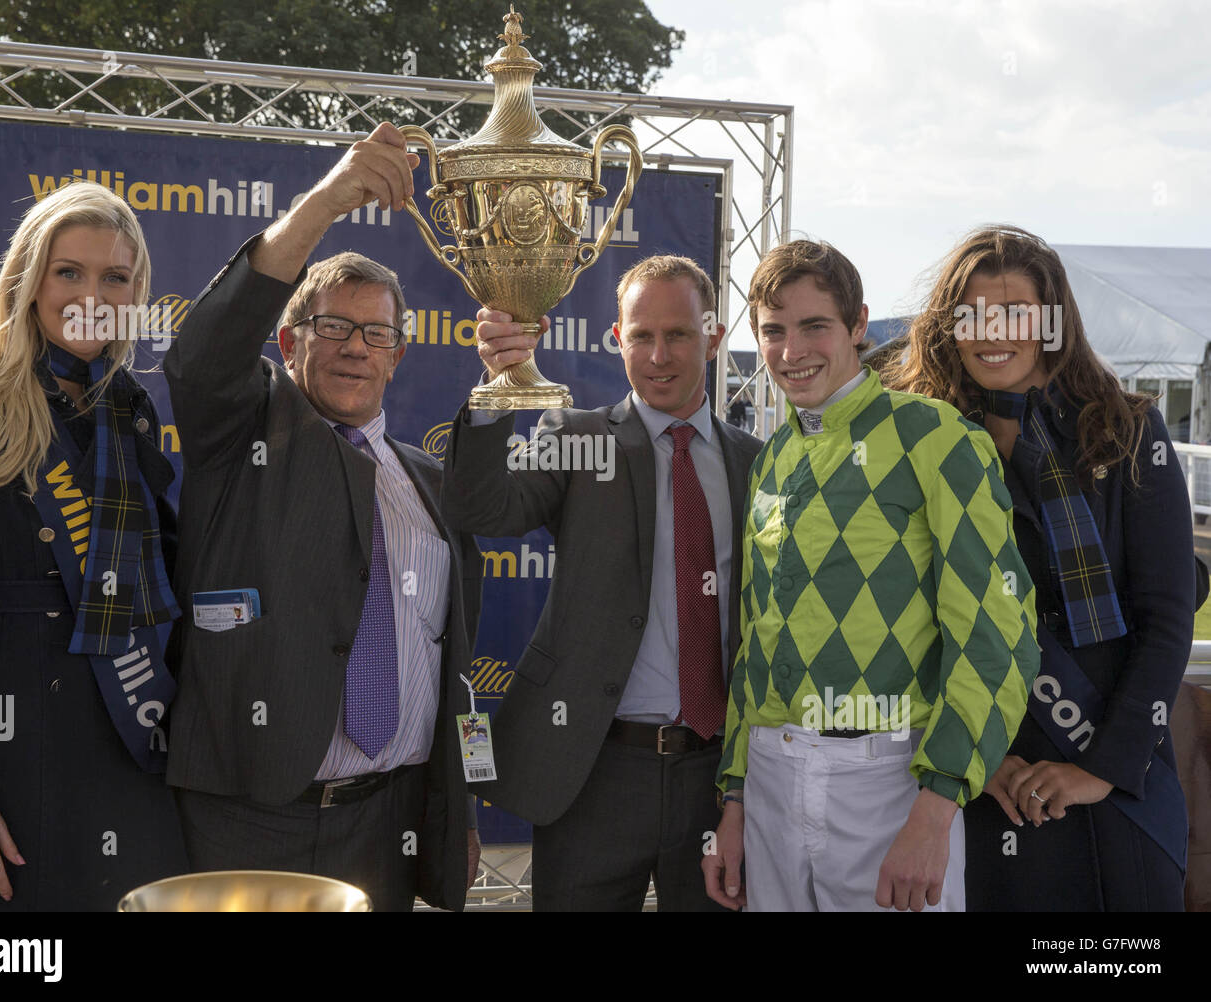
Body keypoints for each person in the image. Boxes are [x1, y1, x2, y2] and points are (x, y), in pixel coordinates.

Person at [163, 122, 483, 912]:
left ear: (397, 356)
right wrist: (327, 202)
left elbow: (455, 673)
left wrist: (458, 811)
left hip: (390, 824)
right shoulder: (242, 435)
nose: (353, 347)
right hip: (249, 821)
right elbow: (203, 352)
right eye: (331, 327)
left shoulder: (435, 486)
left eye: (376, 333)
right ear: (287, 342)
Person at [703, 239, 1040, 912]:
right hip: (769, 778)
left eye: (814, 326)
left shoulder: (935, 437)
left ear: (858, 324)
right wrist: (734, 798)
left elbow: (998, 637)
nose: (791, 350)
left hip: (889, 783)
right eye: (773, 331)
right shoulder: (770, 458)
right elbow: (754, 647)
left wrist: (936, 806)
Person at [441, 255, 762, 911]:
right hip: (592, 771)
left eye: (678, 334)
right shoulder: (577, 436)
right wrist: (500, 387)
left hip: (717, 779)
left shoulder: (756, 464)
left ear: (714, 334)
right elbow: (482, 510)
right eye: (641, 335)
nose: (659, 354)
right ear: (617, 340)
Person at [885, 224, 1192, 910]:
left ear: (1053, 323)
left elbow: (1168, 621)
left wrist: (1101, 769)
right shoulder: (918, 442)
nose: (995, 331)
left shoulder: (1130, 430)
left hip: (1114, 773)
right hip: (981, 781)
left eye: (1016, 312)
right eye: (975, 314)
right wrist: (973, 758)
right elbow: (902, 622)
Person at [0, 181, 189, 910]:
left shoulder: (131, 411)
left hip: (127, 751)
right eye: (69, 271)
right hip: (6, 760)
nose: (89, 293)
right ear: (29, 281)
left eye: (114, 277)